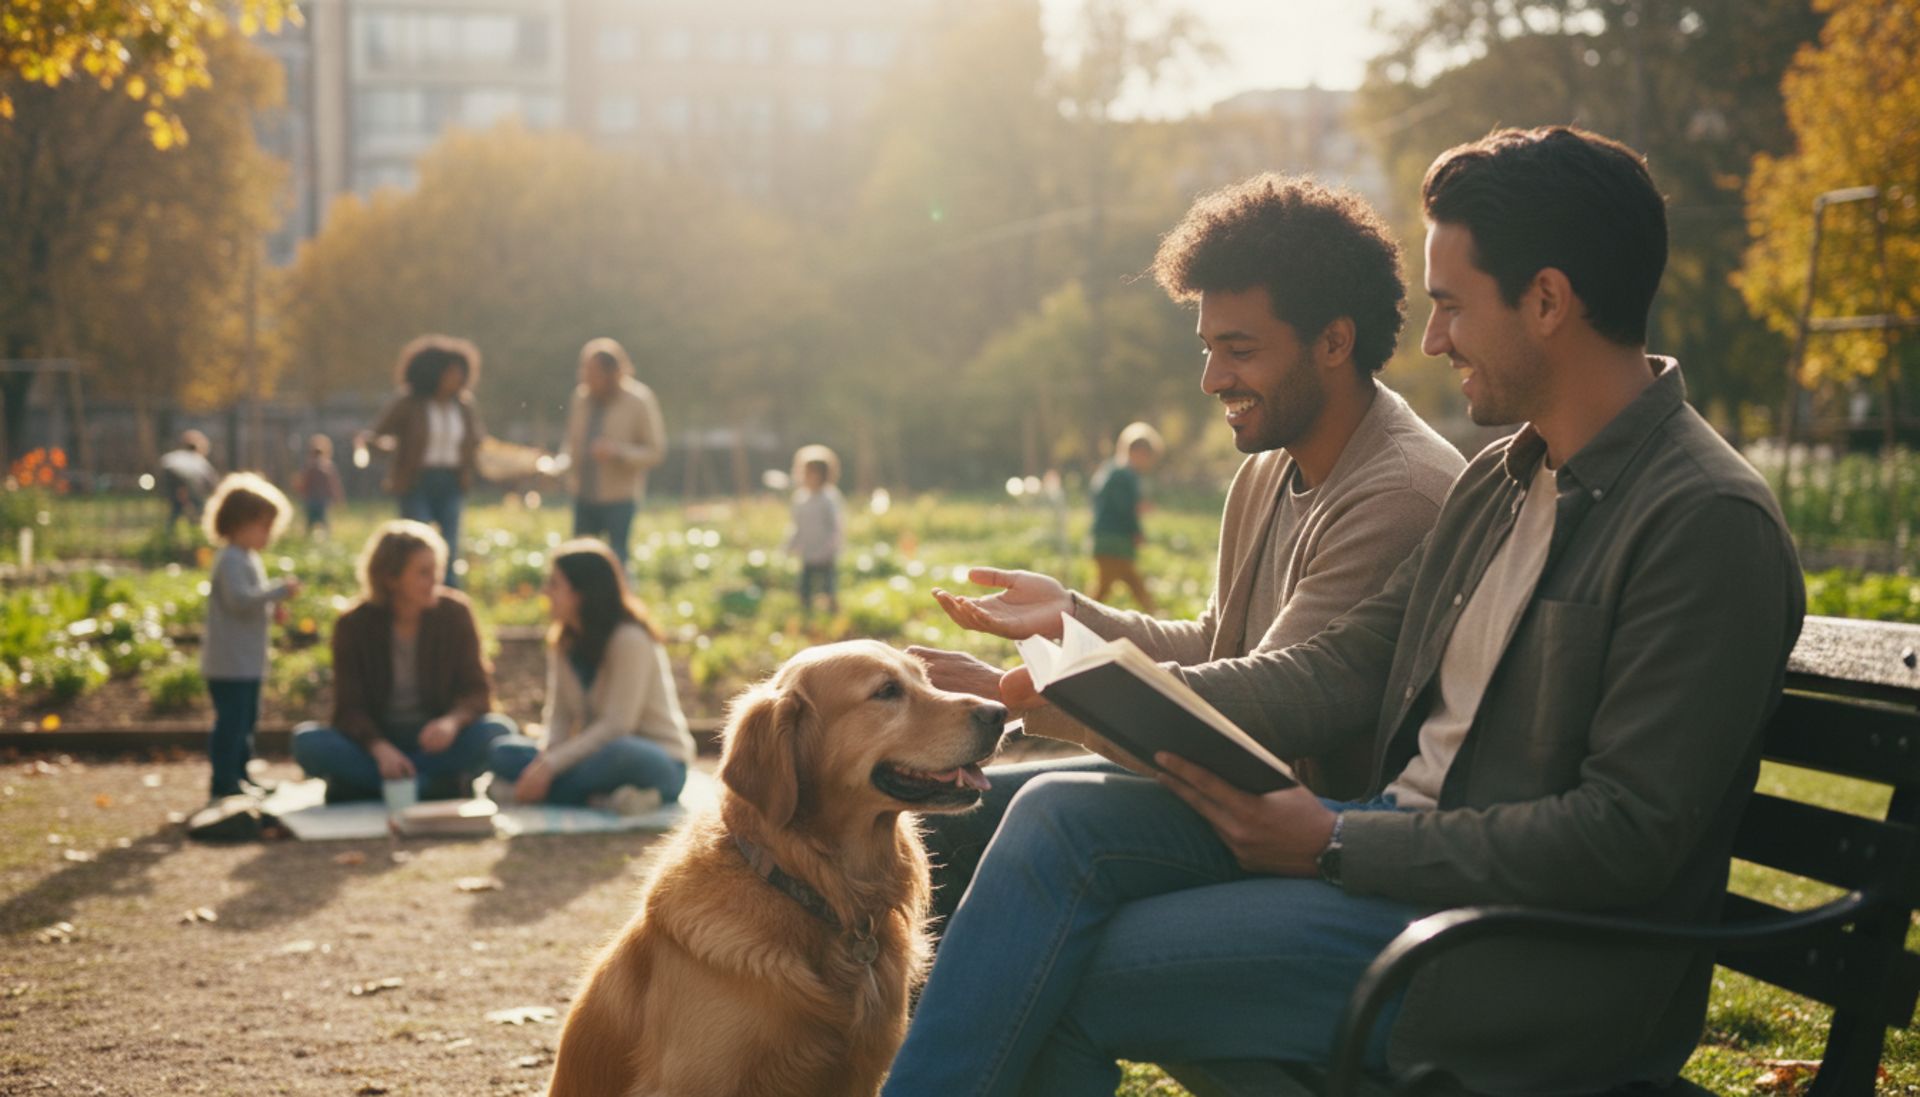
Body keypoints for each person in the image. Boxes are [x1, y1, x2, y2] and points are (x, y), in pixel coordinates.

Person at [884, 126, 1807, 1097]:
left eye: (1452, 305)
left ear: (1546, 301)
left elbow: (1622, 837)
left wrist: (1333, 841)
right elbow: (1332, 670)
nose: (1433, 339)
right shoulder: (1502, 481)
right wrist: (1074, 670)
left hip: (1514, 953)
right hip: (1393, 859)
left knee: (1069, 965)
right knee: (1057, 822)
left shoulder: (1703, 519)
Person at [911, 174, 1464, 927]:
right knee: (948, 819)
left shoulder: (1401, 490)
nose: (1212, 379)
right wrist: (1071, 617)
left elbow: (1266, 715)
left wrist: (1043, 689)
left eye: (1240, 350)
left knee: (1052, 815)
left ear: (1335, 342)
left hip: (1308, 829)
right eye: (1208, 349)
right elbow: (1216, 643)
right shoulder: (1268, 467)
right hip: (1237, 797)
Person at [291, 521, 514, 802]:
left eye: (437, 569)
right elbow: (349, 708)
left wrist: (451, 722)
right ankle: (430, 786)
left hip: (436, 744)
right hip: (377, 742)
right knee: (307, 742)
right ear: (390, 577)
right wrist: (379, 748)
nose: (435, 580)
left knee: (497, 732)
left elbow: (477, 692)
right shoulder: (353, 624)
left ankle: (378, 786)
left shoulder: (456, 613)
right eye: (423, 572)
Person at [485, 539, 694, 811]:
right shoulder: (563, 642)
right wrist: (544, 761)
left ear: (581, 593)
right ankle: (602, 798)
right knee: (502, 752)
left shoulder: (630, 639)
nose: (545, 591)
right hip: (590, 757)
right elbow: (559, 716)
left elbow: (618, 726)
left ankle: (532, 793)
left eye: (554, 584)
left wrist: (552, 766)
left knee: (620, 752)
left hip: (654, 761)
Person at [199, 473, 301, 800]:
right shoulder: (230, 558)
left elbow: (251, 602)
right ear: (238, 523)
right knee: (232, 723)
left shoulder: (247, 557)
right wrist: (277, 592)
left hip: (247, 661)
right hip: (230, 663)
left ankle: (241, 774)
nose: (268, 535)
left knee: (246, 722)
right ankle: (224, 780)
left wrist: (272, 606)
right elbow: (240, 601)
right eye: (264, 527)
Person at [358, 335, 487, 585]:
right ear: (434, 372)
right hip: (416, 481)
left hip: (452, 481)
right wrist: (389, 449)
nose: (457, 378)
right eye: (451, 372)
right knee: (417, 544)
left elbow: (477, 441)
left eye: (460, 372)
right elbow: (375, 436)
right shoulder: (409, 403)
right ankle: (412, 590)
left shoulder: (464, 406)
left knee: (450, 544)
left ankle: (448, 593)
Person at [562, 338, 667, 569]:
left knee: (617, 563)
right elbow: (571, 444)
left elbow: (655, 451)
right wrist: (558, 467)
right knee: (580, 566)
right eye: (584, 370)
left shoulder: (639, 400)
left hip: (619, 499)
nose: (585, 377)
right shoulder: (580, 398)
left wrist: (618, 452)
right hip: (583, 495)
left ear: (611, 373)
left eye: (592, 372)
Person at [1088, 422, 1162, 610]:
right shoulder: (1125, 475)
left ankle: (1154, 614)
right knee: (1114, 587)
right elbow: (1125, 510)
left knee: (1113, 586)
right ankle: (1076, 616)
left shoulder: (1111, 470)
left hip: (1104, 539)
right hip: (1115, 541)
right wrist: (1136, 532)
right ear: (1138, 452)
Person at [783, 444, 845, 617]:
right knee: (805, 588)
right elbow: (797, 526)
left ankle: (832, 615)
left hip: (826, 554)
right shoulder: (801, 498)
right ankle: (806, 615)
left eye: (816, 473)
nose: (811, 477)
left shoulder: (829, 498)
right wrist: (789, 546)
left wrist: (829, 548)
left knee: (828, 587)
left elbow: (835, 527)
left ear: (825, 474)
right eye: (808, 473)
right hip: (808, 552)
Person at [156, 429, 218, 534]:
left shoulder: (174, 455)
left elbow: (162, 464)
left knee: (177, 507)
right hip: (184, 481)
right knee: (199, 506)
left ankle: (170, 531)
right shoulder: (198, 460)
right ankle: (199, 528)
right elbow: (210, 479)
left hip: (168, 480)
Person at [293, 434, 346, 536]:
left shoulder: (310, 467)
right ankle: (323, 539)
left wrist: (300, 491)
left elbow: (303, 484)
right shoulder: (326, 467)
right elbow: (334, 485)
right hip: (320, 500)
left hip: (314, 500)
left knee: (311, 524)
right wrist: (338, 498)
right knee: (322, 524)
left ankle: (312, 538)